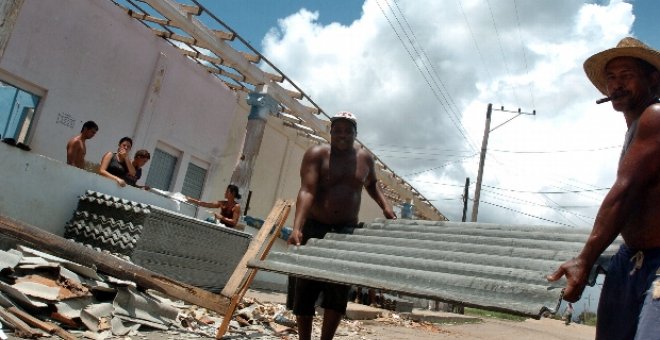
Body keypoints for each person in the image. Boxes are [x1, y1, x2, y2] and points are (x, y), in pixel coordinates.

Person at [547, 37, 660, 340]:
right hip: (633, 257)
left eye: (626, 76)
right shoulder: (635, 129)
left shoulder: (655, 117)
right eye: (611, 78)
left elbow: (624, 193)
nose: (616, 85)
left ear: (653, 79)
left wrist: (584, 259)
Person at [287, 111, 396, 340]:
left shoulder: (365, 159)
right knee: (305, 289)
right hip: (316, 229)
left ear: (356, 134)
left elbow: (372, 184)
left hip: (347, 232)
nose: (343, 135)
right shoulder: (317, 154)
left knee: (338, 292)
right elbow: (307, 190)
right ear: (331, 132)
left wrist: (385, 206)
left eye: (348, 130)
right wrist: (297, 227)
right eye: (338, 130)